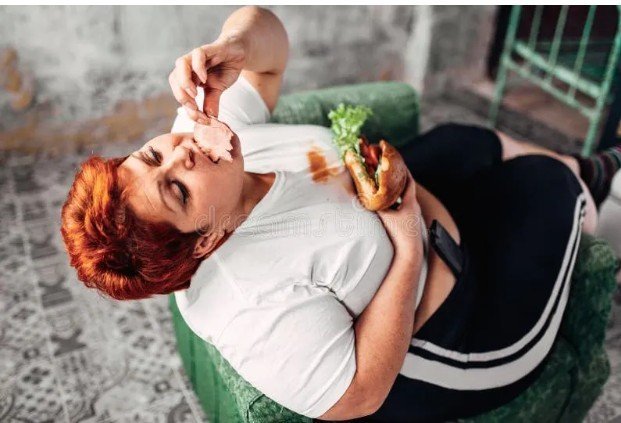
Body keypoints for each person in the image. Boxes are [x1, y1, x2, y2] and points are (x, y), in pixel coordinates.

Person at [60, 6, 619, 422]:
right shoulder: (249, 303)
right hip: (458, 334)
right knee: (548, 186)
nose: (180, 152)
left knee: (463, 138)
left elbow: (269, 54)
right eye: (178, 191)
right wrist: (406, 247)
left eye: (150, 155)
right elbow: (360, 395)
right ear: (203, 242)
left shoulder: (202, 132)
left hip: (413, 211)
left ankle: (589, 170)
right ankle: (595, 188)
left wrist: (232, 44)